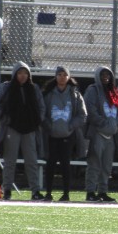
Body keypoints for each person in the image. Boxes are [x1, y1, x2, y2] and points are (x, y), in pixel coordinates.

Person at [0, 61, 45, 201]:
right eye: (20, 73)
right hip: (12, 128)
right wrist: (6, 121)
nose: (22, 76)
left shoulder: (34, 89)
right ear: (14, 74)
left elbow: (41, 108)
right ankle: (7, 189)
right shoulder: (6, 88)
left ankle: (35, 190)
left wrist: (36, 122)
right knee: (10, 161)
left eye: (25, 73)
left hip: (29, 129)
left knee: (31, 161)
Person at [41, 66, 87, 202]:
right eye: (59, 74)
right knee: (50, 164)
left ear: (69, 77)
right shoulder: (48, 94)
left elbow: (82, 115)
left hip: (68, 135)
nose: (62, 77)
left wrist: (71, 126)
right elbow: (42, 113)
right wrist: (49, 127)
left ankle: (66, 193)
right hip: (52, 135)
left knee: (66, 165)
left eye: (65, 75)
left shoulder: (75, 94)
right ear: (55, 76)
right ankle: (48, 193)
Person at [84, 66, 118, 202]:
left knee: (107, 165)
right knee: (94, 164)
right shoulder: (92, 90)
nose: (105, 77)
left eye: (108, 75)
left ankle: (102, 191)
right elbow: (90, 110)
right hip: (97, 132)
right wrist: (104, 124)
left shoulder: (114, 92)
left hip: (111, 134)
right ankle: (90, 191)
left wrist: (116, 124)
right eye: (103, 74)